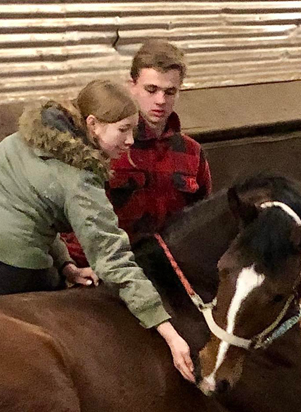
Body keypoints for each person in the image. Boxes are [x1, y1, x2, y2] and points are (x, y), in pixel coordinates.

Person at [0, 79, 195, 382]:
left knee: (59, 278)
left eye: (132, 130)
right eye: (123, 129)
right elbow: (112, 259)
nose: (130, 141)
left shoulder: (30, 137)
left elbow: (35, 212)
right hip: (2, 266)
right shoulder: (80, 180)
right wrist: (165, 327)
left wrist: (67, 265)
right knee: (66, 323)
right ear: (93, 124)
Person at [62, 39, 212, 266]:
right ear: (132, 85)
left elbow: (203, 220)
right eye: (151, 89)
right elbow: (71, 218)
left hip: (171, 273)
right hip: (104, 269)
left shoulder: (191, 153)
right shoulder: (105, 145)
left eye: (170, 92)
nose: (160, 101)